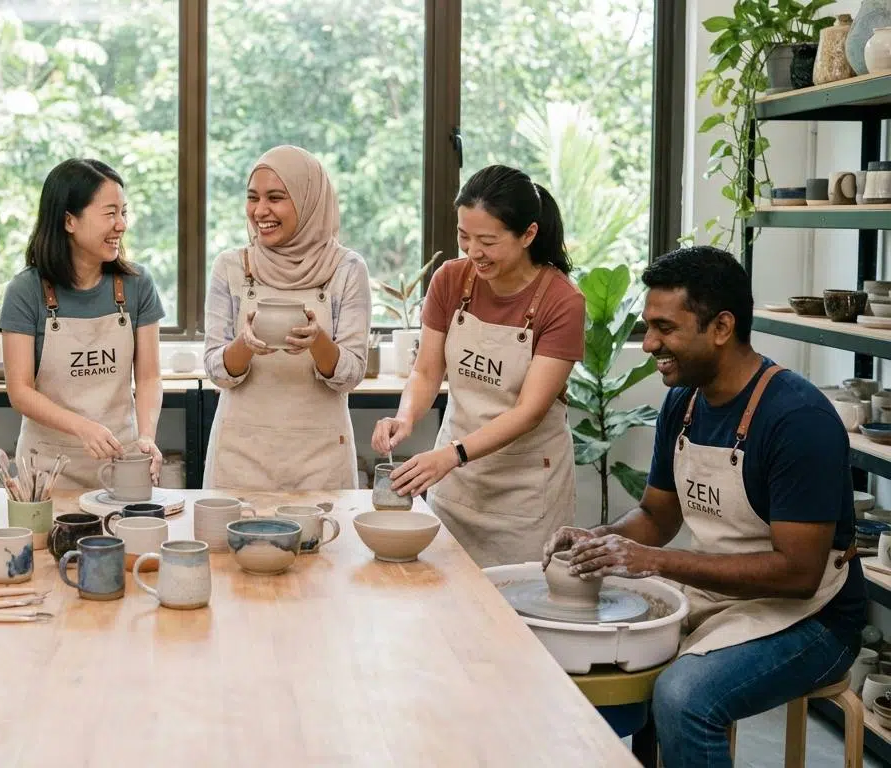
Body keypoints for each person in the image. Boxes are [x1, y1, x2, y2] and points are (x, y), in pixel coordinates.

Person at [544, 246, 865, 768]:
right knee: (614, 660)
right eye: (648, 327)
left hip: (817, 619)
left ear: (721, 326)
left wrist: (654, 562)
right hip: (724, 596)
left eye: (664, 328)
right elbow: (655, 516)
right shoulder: (685, 401)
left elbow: (799, 574)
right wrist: (598, 538)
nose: (649, 344)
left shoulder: (797, 419)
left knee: (684, 697)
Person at [372, 165, 584, 567]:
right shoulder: (450, 280)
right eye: (463, 236)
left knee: (517, 615)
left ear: (529, 235)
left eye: (487, 241)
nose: (472, 252)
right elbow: (426, 372)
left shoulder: (562, 301)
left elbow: (529, 411)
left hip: (524, 492)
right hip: (456, 483)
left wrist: (453, 454)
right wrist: (405, 417)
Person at [202, 145, 371, 489]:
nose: (260, 211)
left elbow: (351, 374)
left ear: (309, 200)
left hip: (321, 460)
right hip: (240, 458)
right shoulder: (231, 267)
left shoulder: (347, 269)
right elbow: (215, 369)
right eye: (253, 198)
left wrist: (317, 342)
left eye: (276, 197)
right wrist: (245, 345)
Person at [0, 159, 166, 488]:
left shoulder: (137, 284)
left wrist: (146, 436)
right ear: (69, 221)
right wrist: (83, 427)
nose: (121, 224)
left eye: (124, 212)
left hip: (122, 461)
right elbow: (20, 391)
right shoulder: (26, 291)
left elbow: (148, 377)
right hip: (46, 470)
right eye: (110, 213)